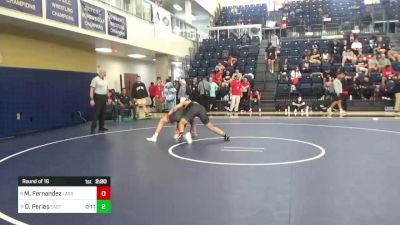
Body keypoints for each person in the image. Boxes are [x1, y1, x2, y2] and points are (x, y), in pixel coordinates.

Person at [90, 68, 108, 134]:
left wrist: (108, 98)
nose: (105, 74)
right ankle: (93, 128)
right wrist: (91, 99)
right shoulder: (95, 79)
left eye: (105, 72)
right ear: (100, 72)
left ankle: (101, 127)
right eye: (104, 72)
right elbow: (91, 90)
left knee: (103, 113)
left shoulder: (105, 79)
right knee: (96, 113)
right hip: (97, 97)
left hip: (104, 97)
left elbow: (106, 89)